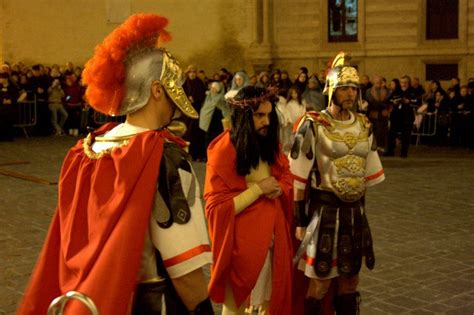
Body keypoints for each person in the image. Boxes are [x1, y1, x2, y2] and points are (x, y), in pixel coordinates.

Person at [17, 14, 213, 315]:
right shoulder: (163, 157)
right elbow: (184, 270)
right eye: (175, 86)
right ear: (158, 90)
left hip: (89, 297)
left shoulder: (87, 149)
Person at [289, 52, 385, 314]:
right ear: (331, 90)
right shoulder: (313, 125)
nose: (350, 94)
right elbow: (298, 177)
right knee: (320, 283)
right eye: (344, 88)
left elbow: (368, 175)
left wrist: (362, 214)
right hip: (324, 212)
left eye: (354, 88)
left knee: (351, 281)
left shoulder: (364, 125)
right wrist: (299, 220)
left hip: (355, 214)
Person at [204, 86, 294, 314]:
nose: (266, 121)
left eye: (269, 115)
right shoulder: (223, 150)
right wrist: (258, 190)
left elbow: (286, 176)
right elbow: (216, 208)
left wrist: (280, 189)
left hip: (274, 241)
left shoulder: (269, 145)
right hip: (242, 246)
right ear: (244, 116)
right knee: (234, 308)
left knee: (269, 304)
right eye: (259, 115)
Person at [386, 75, 419, 157]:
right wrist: (394, 102)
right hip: (396, 116)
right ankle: (390, 151)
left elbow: (417, 102)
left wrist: (409, 101)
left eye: (405, 82)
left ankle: (404, 153)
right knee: (391, 134)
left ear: (408, 83)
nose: (403, 84)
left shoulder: (413, 91)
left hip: (407, 116)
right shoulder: (396, 91)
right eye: (402, 82)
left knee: (406, 135)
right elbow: (389, 100)